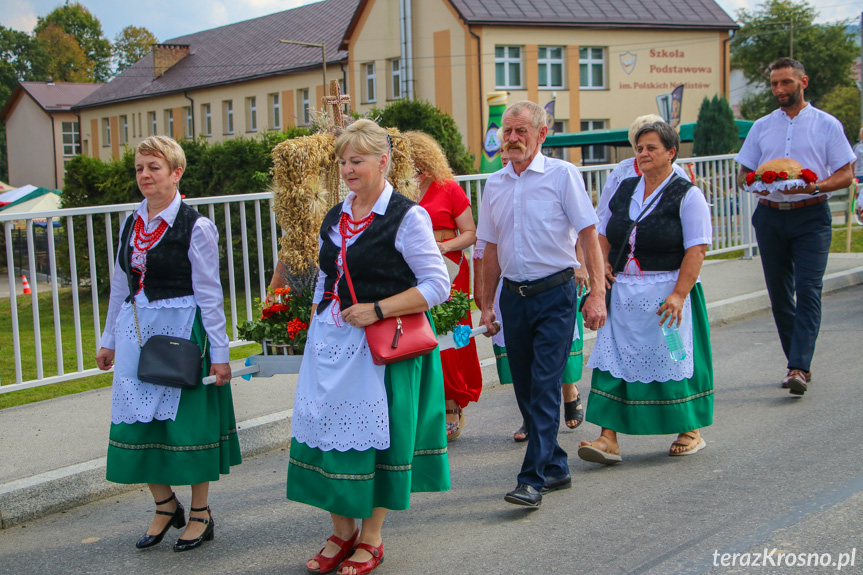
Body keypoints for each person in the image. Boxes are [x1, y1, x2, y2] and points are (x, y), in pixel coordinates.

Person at [286, 119, 450, 575]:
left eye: (356, 160)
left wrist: (378, 309)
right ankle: (342, 531)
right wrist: (320, 316)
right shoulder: (336, 214)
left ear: (383, 161)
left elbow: (439, 285)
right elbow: (326, 274)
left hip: (379, 350)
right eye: (342, 161)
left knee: (375, 443)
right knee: (324, 436)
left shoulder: (406, 216)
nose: (347, 169)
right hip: (331, 344)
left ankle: (371, 538)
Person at [95, 135, 240, 551]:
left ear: (176, 173)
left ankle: (200, 513)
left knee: (185, 428)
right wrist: (109, 340)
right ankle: (164, 504)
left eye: (154, 168)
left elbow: (210, 294)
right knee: (136, 422)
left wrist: (220, 353)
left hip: (181, 332)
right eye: (140, 168)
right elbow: (120, 286)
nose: (144, 175)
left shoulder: (196, 226)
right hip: (137, 331)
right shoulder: (130, 222)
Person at [477, 100, 606, 508]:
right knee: (525, 385)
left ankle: (531, 478)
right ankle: (556, 466)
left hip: (555, 293)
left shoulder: (562, 175)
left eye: (521, 132)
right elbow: (490, 247)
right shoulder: (494, 183)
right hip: (513, 297)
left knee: (547, 384)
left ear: (541, 134)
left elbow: (588, 237)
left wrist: (598, 293)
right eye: (506, 132)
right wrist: (486, 305)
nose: (511, 139)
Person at [579, 121, 714, 464]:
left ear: (671, 153)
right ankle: (608, 437)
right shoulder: (625, 188)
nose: (643, 154)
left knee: (674, 358)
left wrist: (680, 295)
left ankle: (690, 429)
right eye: (639, 149)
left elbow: (696, 249)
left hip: (668, 293)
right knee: (615, 360)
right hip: (624, 293)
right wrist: (604, 263)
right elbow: (606, 233)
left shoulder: (687, 194)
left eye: (651, 148)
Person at [735, 58, 855, 395]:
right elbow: (743, 171)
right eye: (774, 84)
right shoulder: (761, 126)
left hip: (811, 216)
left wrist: (816, 187)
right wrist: (751, 182)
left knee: (808, 289)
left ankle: (798, 366)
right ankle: (798, 363)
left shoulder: (827, 125)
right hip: (770, 216)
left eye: (786, 83)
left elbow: (846, 173)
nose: (779, 90)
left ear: (803, 82)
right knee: (779, 294)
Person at [404, 130, 481, 441]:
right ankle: (425, 404)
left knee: (447, 334)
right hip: (411, 271)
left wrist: (445, 246)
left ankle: (452, 401)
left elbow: (470, 233)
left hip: (448, 268)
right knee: (418, 332)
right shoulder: (398, 190)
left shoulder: (448, 188)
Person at [598, 114, 691, 225]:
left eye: (651, 147)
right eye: (640, 148)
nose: (645, 153)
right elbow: (604, 213)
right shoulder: (622, 171)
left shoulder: (676, 172)